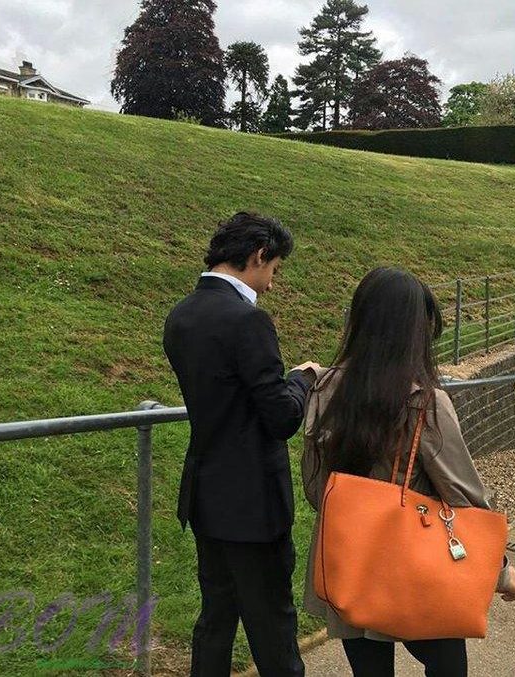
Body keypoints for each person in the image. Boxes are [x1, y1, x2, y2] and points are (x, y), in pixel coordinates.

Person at [301, 267, 515, 677]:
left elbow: (316, 490)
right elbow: (466, 499)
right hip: (416, 570)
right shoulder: (426, 402)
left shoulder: (324, 388)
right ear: (414, 333)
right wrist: (502, 570)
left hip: (349, 562)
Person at [163, 212, 322, 677]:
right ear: (257, 256)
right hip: (253, 509)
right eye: (274, 269)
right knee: (273, 630)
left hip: (206, 498)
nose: (272, 284)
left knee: (215, 620)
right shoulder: (248, 322)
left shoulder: (181, 316)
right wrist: (302, 378)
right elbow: (282, 417)